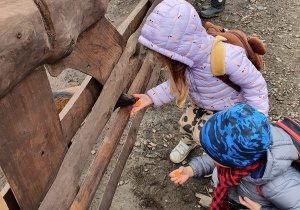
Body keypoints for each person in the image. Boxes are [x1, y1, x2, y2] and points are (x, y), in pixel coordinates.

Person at [130, 0, 268, 163]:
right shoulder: (184, 63)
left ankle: (212, 159)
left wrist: (257, 120)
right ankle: (188, 142)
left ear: (176, 53)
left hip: (229, 109)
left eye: (163, 57)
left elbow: (255, 86)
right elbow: (176, 83)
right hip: (201, 102)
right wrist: (152, 97)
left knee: (219, 139)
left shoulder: (229, 58)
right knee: (187, 124)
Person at [169, 103, 300, 210]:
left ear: (235, 163)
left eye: (211, 154)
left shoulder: (278, 184)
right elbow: (216, 160)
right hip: (242, 193)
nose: (208, 155)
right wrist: (191, 170)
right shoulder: (250, 147)